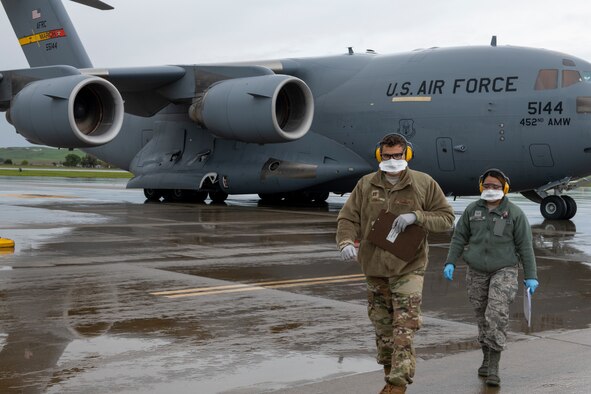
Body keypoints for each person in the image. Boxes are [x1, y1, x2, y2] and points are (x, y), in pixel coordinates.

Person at [337, 133, 454, 394]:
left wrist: (417, 216)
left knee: (405, 325)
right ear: (380, 156)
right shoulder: (366, 185)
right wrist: (345, 241)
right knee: (383, 327)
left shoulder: (423, 183)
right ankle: (390, 375)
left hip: (408, 266)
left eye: (397, 155)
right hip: (375, 268)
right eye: (387, 156)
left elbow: (446, 218)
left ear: (407, 155)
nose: (392, 160)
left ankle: (397, 384)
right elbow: (347, 217)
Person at [442, 168, 539, 387]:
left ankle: (494, 367)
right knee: (481, 316)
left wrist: (531, 275)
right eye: (487, 186)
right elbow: (459, 237)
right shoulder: (472, 210)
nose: (491, 190)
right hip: (476, 270)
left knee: (496, 314)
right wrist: (450, 261)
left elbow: (525, 246)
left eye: (495, 186)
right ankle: (486, 358)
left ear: (504, 188)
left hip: (503, 270)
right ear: (481, 187)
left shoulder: (514, 213)